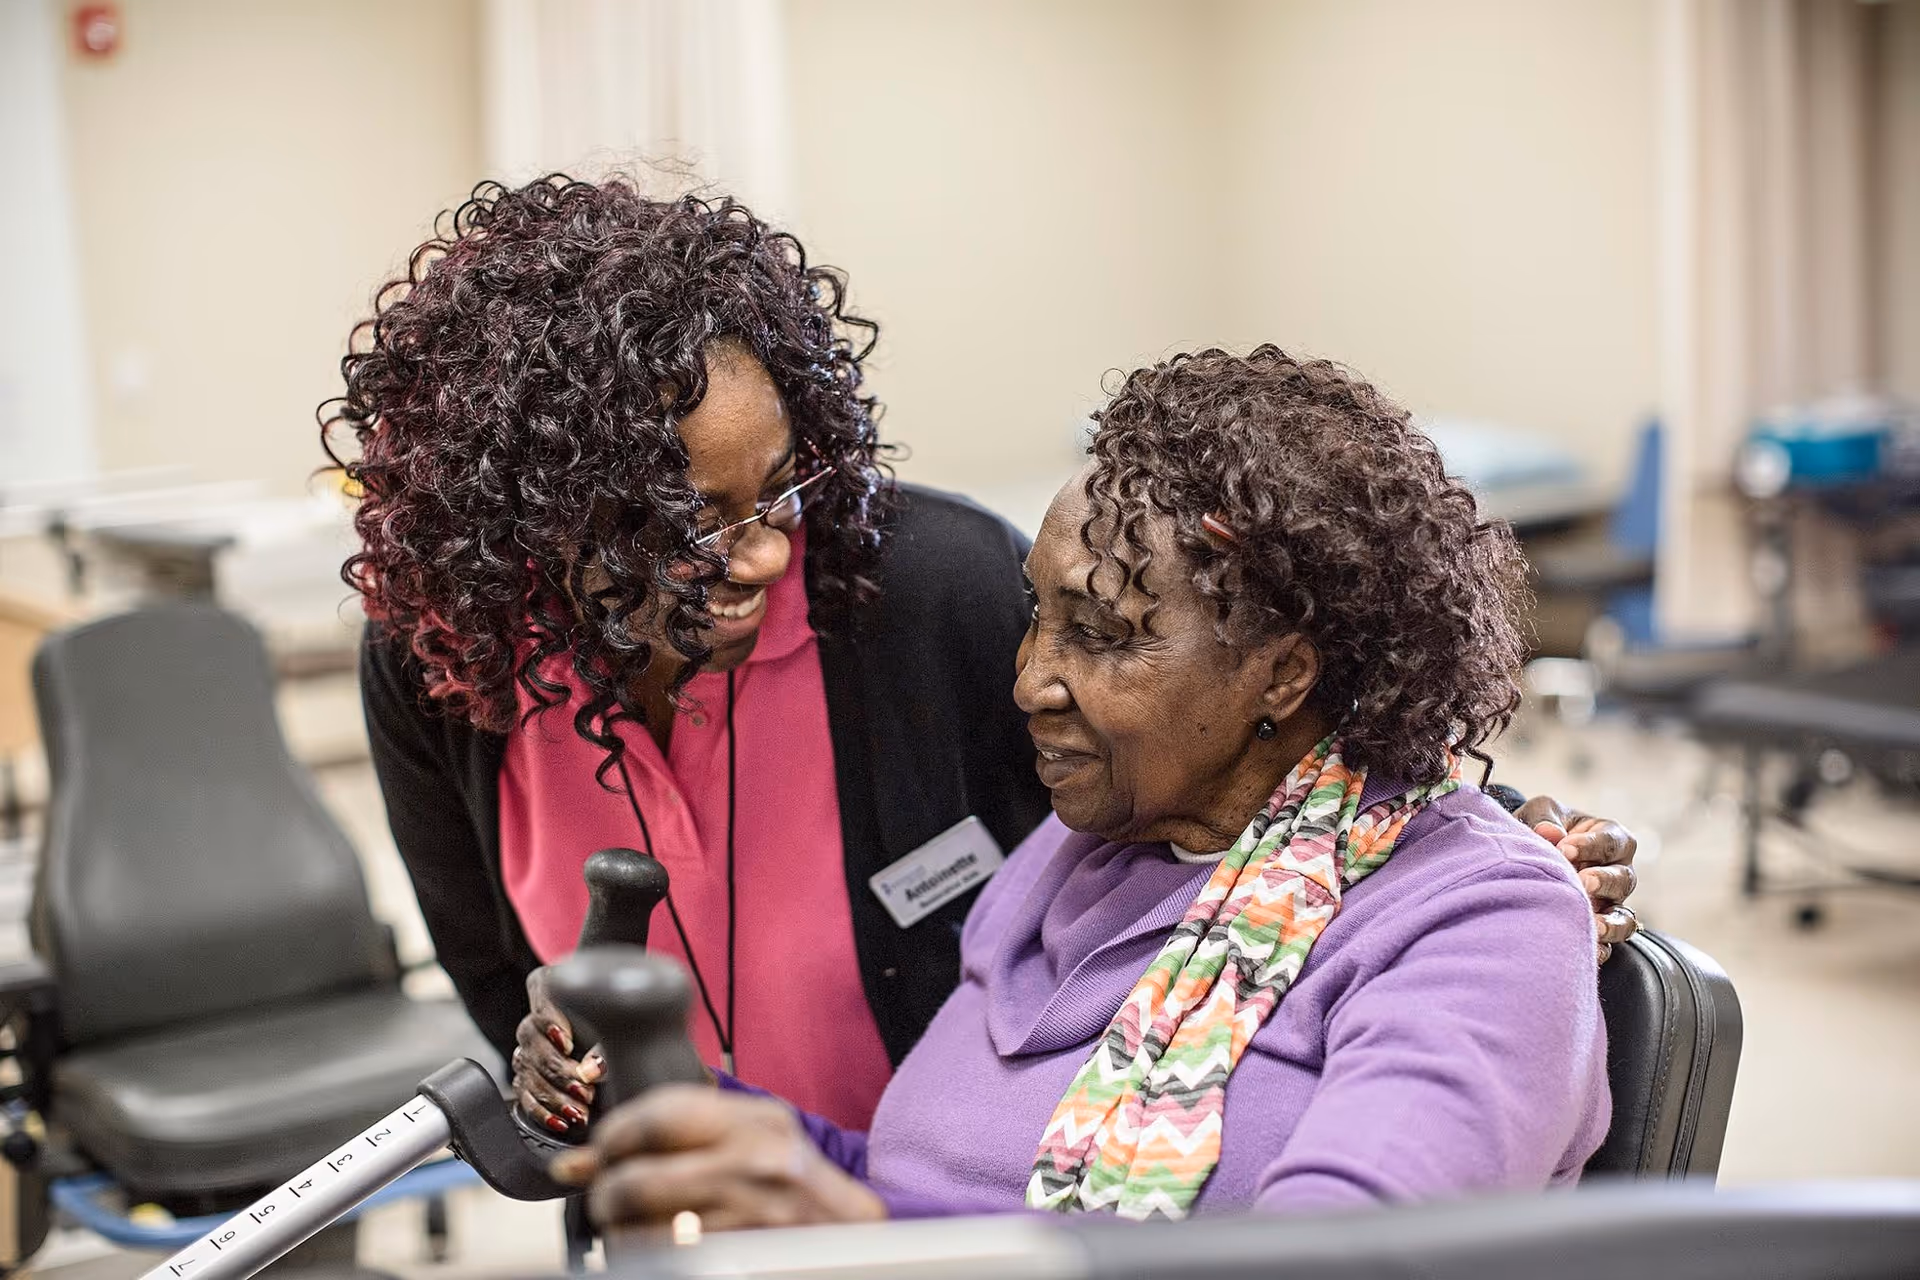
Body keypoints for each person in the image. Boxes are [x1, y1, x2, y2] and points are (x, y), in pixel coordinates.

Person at [327, 175, 1638, 1137]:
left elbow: (1216, 748)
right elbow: (508, 996)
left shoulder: (928, 593)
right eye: (682, 529)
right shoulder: (448, 670)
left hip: (944, 1208)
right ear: (532, 529)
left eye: (776, 494)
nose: (764, 555)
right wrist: (552, 1067)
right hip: (699, 1209)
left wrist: (1485, 834)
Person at [555, 348, 1610, 1228]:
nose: (1029, 680)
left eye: (1103, 634)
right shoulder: (1081, 854)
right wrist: (666, 1095)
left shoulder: (1477, 919)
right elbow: (909, 1177)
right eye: (1037, 616)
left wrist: (870, 1242)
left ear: (1284, 671)